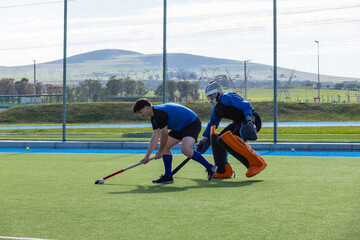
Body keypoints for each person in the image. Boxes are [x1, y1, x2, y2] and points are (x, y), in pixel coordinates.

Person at [133, 98, 217, 184]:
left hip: (191, 123)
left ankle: (210, 167)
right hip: (180, 127)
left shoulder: (159, 114)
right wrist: (147, 156)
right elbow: (155, 137)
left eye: (140, 112)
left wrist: (160, 151)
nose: (141, 115)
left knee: (185, 149)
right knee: (165, 147)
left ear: (146, 107)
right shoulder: (154, 118)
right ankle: (168, 176)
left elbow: (164, 136)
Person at [197, 81, 266, 178]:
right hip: (237, 123)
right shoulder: (216, 109)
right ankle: (223, 170)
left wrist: (249, 119)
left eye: (211, 95)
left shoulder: (226, 97)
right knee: (218, 139)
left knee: (234, 139)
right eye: (209, 96)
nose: (210, 98)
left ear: (217, 93)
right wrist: (204, 139)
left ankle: (257, 163)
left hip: (251, 119)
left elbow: (245, 105)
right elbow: (212, 124)